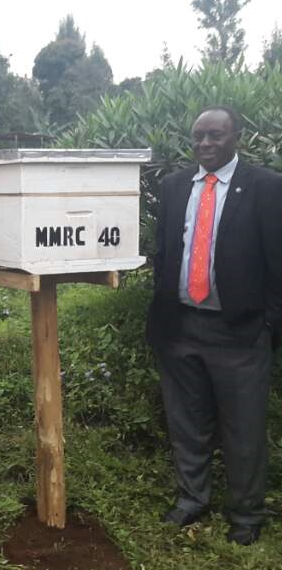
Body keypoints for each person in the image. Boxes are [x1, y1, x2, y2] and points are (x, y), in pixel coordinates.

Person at [147, 106, 282, 546]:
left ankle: (246, 513)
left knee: (243, 428)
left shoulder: (266, 187)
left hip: (239, 332)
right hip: (181, 327)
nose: (205, 143)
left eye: (215, 135)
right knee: (187, 422)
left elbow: (278, 264)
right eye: (198, 136)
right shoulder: (172, 187)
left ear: (237, 137)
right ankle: (192, 498)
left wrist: (267, 324)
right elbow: (165, 255)